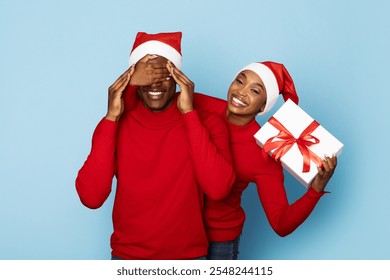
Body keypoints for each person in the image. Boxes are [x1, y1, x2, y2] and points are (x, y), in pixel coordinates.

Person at [75, 32, 235, 260]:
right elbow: (92, 196)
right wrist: (111, 116)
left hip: (188, 260)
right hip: (128, 259)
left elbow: (218, 188)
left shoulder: (207, 123)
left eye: (163, 74)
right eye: (146, 75)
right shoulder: (116, 125)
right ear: (133, 80)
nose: (155, 82)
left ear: (178, 78)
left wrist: (189, 114)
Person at [191, 61, 338, 260]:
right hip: (180, 231)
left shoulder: (263, 151)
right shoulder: (201, 106)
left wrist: (315, 190)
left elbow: (281, 224)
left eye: (254, 90)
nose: (241, 92)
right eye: (240, 81)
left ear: (263, 106)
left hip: (219, 241)